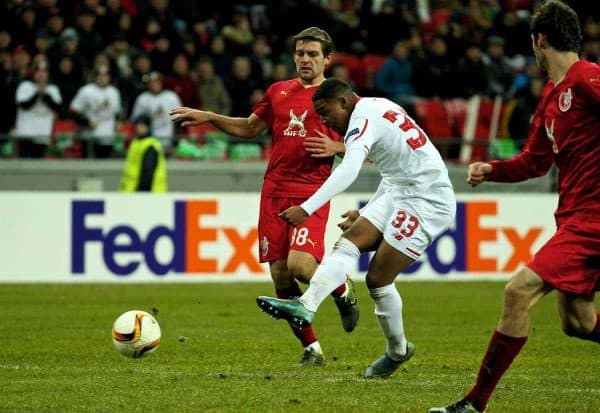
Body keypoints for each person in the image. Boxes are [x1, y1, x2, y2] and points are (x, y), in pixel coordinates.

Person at [429, 2, 600, 412]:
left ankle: (475, 403)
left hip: (592, 220)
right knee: (576, 321)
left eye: (534, 46)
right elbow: (535, 162)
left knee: (518, 289)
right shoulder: (550, 99)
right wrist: (492, 169)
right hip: (574, 219)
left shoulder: (587, 77)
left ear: (539, 41)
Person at [170, 27, 359, 367]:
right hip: (273, 192)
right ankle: (311, 349)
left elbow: (369, 148)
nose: (305, 59)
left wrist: (338, 147)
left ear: (327, 59)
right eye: (300, 53)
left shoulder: (341, 98)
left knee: (300, 266)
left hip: (311, 193)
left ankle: (343, 289)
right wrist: (210, 117)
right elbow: (250, 127)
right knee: (280, 276)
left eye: (313, 54)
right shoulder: (278, 92)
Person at [256, 77, 456, 378]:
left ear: (344, 102)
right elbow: (394, 168)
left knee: (377, 279)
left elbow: (349, 168)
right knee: (348, 241)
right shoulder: (380, 106)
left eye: (325, 112)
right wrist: (366, 211)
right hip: (399, 189)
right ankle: (307, 305)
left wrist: (306, 208)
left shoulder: (360, 119)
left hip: (427, 198)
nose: (323, 120)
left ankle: (397, 351)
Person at [69, 65, 122, 158]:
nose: (103, 78)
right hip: (89, 136)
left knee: (105, 166)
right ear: (95, 77)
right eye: (100, 76)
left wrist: (118, 121)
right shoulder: (86, 91)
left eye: (105, 76)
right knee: (88, 165)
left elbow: (117, 111)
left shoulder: (114, 92)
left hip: (108, 135)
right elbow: (73, 111)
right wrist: (87, 122)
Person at [14, 60, 62, 158]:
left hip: (43, 135)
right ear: (34, 73)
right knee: (24, 166)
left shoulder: (53, 89)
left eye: (44, 72)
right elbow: (24, 105)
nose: (41, 75)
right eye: (38, 72)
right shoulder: (25, 86)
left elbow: (58, 109)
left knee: (38, 166)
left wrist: (45, 96)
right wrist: (37, 94)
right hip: (25, 134)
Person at [131, 71, 182, 150]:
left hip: (168, 140)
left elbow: (180, 121)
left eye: (157, 81)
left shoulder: (171, 96)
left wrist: (176, 143)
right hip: (148, 143)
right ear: (148, 84)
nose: (154, 84)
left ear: (161, 82)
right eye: (151, 82)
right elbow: (136, 121)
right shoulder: (143, 98)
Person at [119, 115, 167, 192]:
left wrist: (141, 193)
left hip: (146, 194)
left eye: (142, 125)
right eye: (137, 125)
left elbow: (148, 172)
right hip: (131, 193)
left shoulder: (150, 145)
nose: (138, 128)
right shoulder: (136, 143)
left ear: (148, 127)